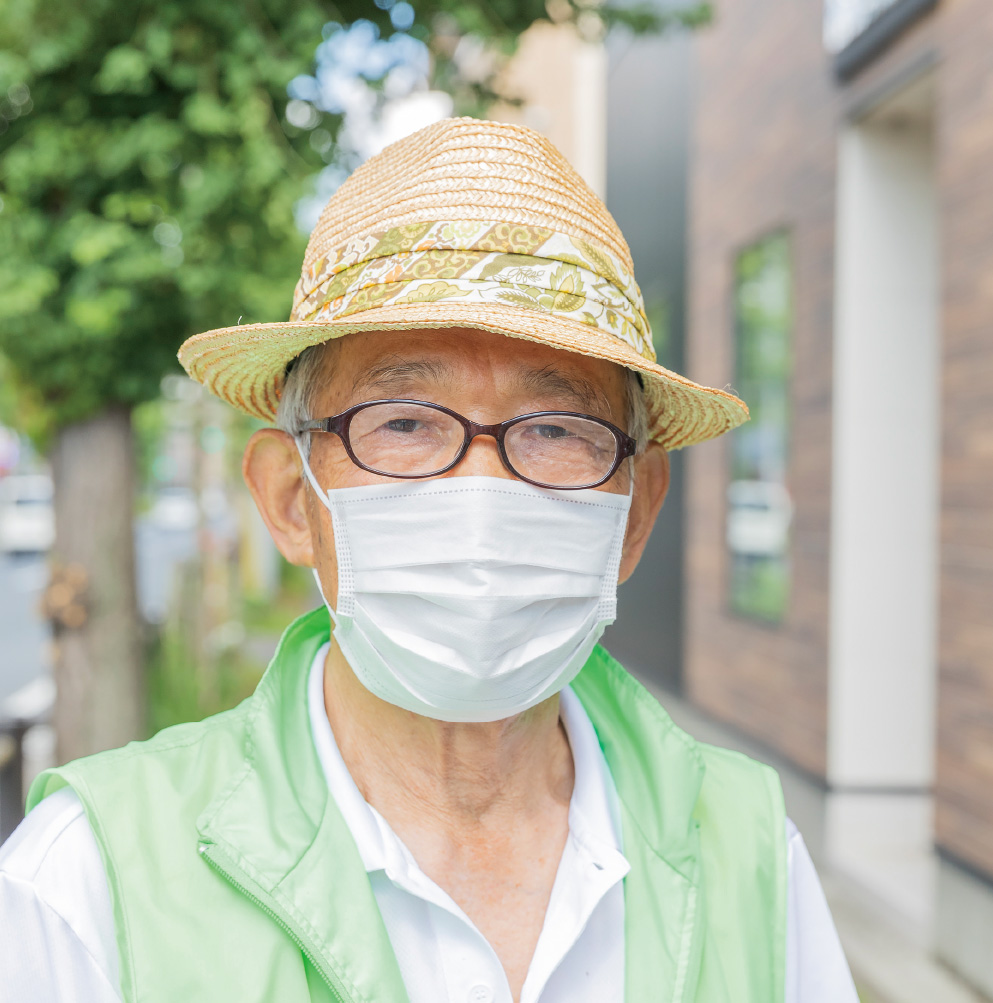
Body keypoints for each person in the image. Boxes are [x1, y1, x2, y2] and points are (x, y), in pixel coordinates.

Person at [0, 118, 858, 1003]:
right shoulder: (87, 886)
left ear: (635, 514)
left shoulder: (751, 855)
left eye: (555, 427)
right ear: (293, 501)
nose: (480, 487)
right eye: (403, 421)